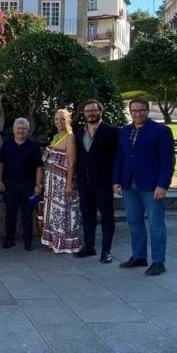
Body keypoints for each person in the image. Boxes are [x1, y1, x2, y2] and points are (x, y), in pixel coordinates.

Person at [113, 98, 175, 276]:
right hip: (128, 184)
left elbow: (167, 161)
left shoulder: (161, 131)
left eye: (141, 110)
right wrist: (116, 180)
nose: (138, 114)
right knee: (134, 221)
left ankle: (158, 261)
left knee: (156, 224)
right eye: (134, 111)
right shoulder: (124, 132)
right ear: (129, 112)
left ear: (148, 110)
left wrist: (162, 185)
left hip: (151, 186)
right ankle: (139, 256)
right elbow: (120, 157)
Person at [74, 100, 118, 264]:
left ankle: (106, 250)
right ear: (83, 114)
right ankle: (89, 246)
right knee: (87, 215)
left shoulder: (112, 132)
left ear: (101, 111)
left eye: (94, 110)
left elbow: (117, 158)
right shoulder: (79, 133)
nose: (91, 114)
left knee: (107, 216)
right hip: (84, 182)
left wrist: (116, 180)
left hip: (104, 183)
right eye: (87, 111)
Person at [0, 118, 44, 251]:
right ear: (14, 129)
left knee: (27, 214)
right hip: (9, 184)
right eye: (19, 128)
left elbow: (39, 167)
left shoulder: (33, 146)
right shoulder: (7, 144)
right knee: (10, 213)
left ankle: (28, 242)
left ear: (27, 130)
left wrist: (38, 185)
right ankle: (9, 239)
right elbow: (0, 163)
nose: (21, 131)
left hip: (28, 185)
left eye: (24, 129)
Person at [40, 109, 82, 254]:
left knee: (64, 211)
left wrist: (69, 184)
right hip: (52, 181)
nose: (59, 122)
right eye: (57, 119)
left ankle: (65, 243)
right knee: (54, 212)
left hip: (63, 180)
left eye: (62, 119)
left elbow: (71, 163)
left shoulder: (70, 137)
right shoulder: (56, 136)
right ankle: (53, 241)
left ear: (68, 120)